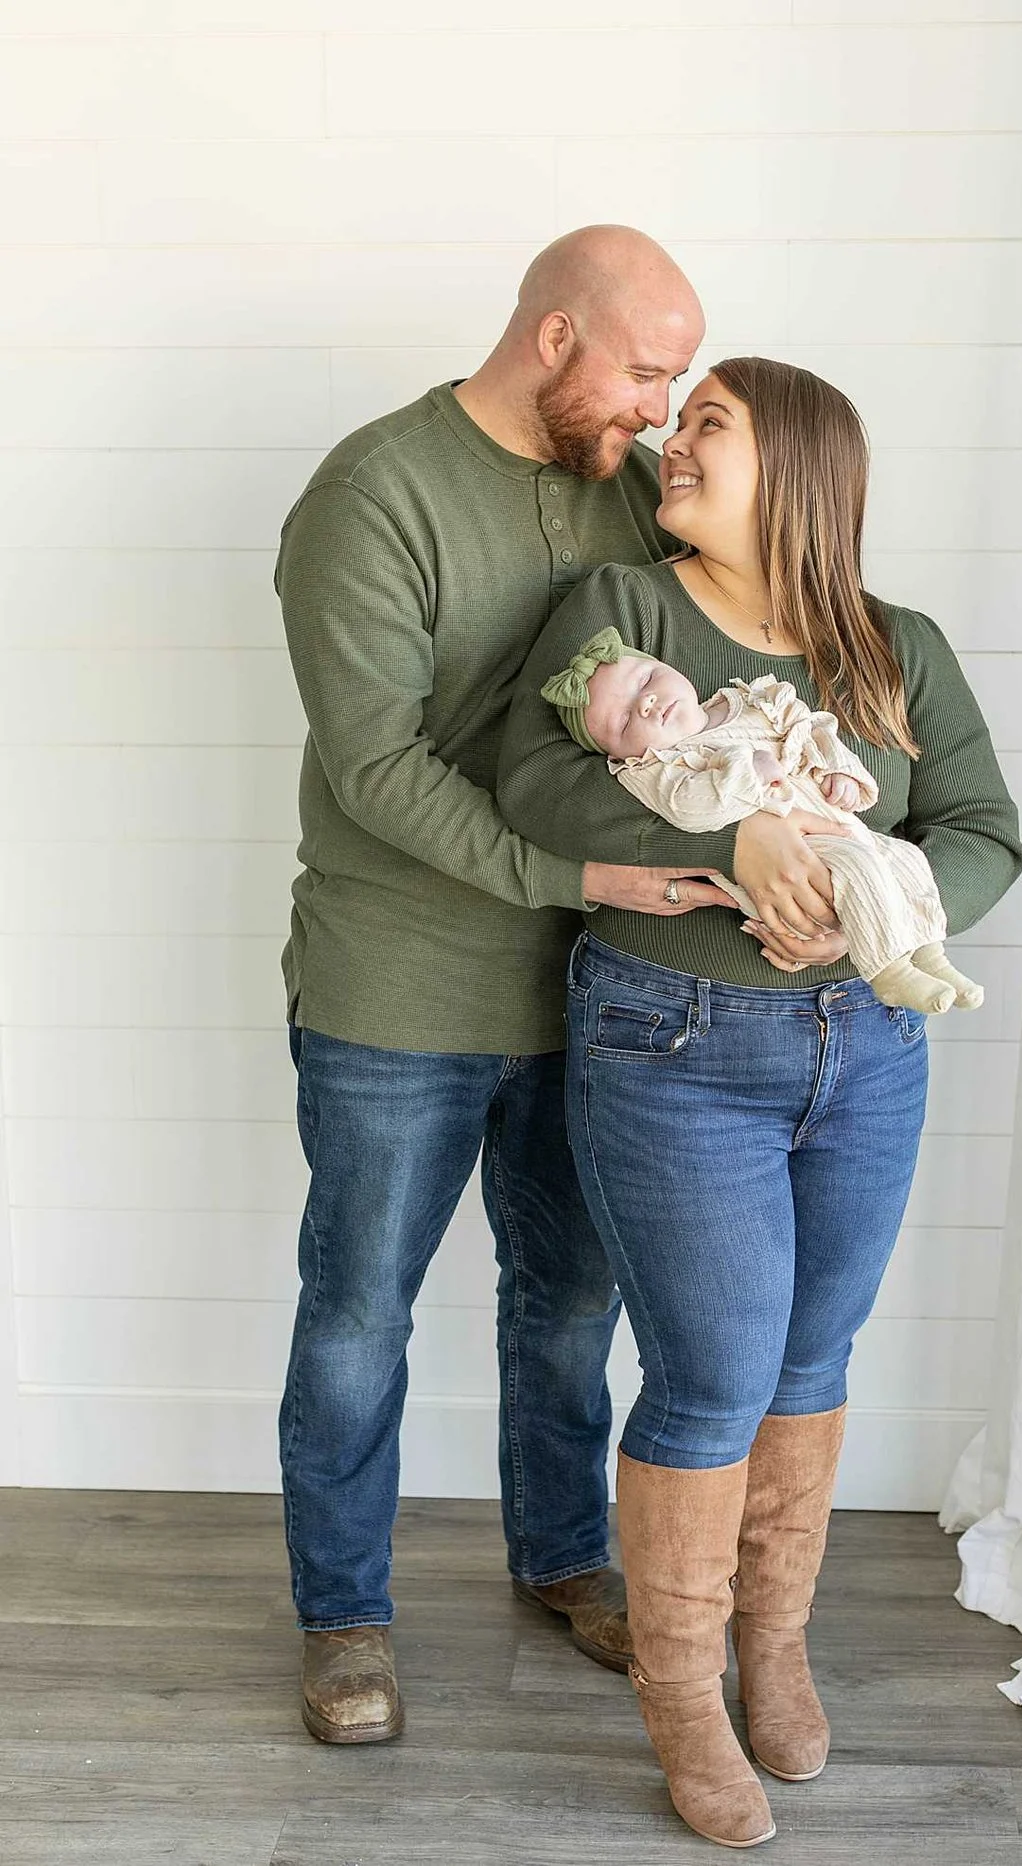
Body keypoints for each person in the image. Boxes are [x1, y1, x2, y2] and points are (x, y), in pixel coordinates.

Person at [497, 356, 1022, 1848]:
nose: (671, 438)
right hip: (672, 1042)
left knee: (812, 1358)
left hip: (870, 1046)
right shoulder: (624, 612)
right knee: (713, 1374)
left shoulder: (895, 648)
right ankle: (682, 1694)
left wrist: (879, 898)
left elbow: (987, 830)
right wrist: (741, 833)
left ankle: (771, 1644)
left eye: (709, 423)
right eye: (680, 419)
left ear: (795, 463)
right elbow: (531, 779)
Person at [275, 225, 744, 1746]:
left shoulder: (627, 489)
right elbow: (376, 768)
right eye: (647, 370)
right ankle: (345, 1614)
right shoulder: (373, 495)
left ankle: (560, 1556)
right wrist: (585, 877)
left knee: (570, 1300)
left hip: (591, 996)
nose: (661, 411)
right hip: (392, 988)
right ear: (555, 338)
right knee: (360, 1310)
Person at [541, 634, 983, 1013]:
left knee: (904, 857)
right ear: (623, 755)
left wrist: (836, 768)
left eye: (644, 681)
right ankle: (889, 971)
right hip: (804, 863)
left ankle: (929, 953)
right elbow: (692, 811)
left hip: (840, 827)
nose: (647, 704)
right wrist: (747, 767)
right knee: (858, 868)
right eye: (623, 719)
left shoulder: (748, 702)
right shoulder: (661, 767)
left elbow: (808, 728)